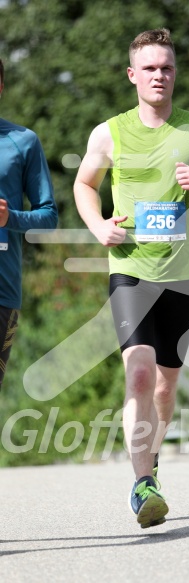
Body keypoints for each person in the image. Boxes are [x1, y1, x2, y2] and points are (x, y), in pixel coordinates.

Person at [74, 28, 189, 529]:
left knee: (166, 388)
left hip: (184, 274)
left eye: (166, 68)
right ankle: (142, 482)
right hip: (130, 269)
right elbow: (85, 184)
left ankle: (151, 460)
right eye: (149, 68)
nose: (159, 76)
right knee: (141, 374)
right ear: (132, 75)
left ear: (175, 73)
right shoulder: (109, 132)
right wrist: (98, 225)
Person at [0, 58, 58, 389]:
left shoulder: (22, 141)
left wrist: (11, 218)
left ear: (1, 87)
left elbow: (48, 217)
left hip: (2, 292)